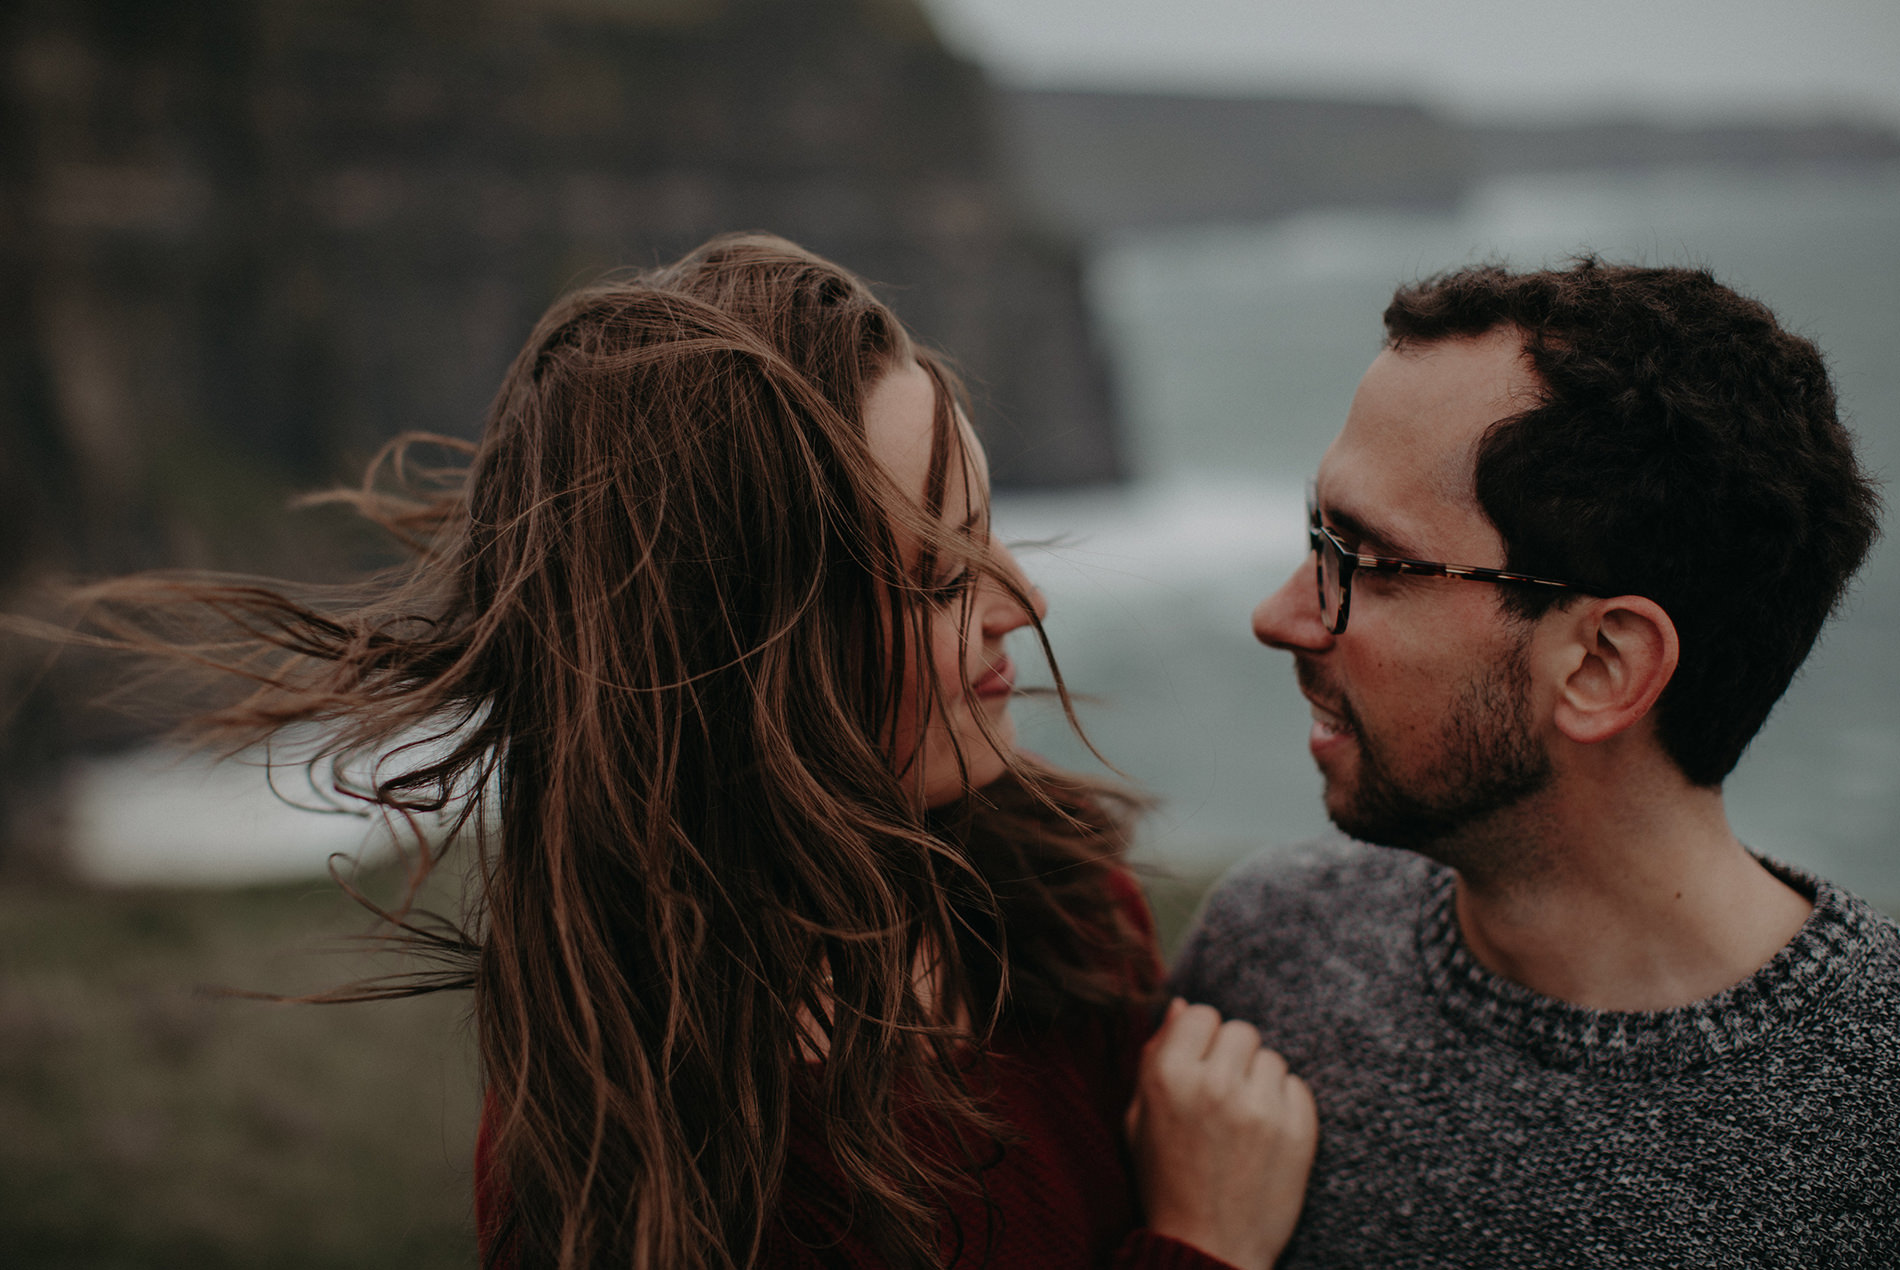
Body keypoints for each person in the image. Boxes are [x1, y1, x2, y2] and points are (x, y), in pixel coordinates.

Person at [65, 234, 1314, 1268]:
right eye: (937, 577)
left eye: (990, 538)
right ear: (744, 654)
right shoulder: (654, 1173)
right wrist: (1202, 1241)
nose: (1021, 607)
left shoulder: (1052, 908)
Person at [1172, 259, 1898, 1267]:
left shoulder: (1872, 1119)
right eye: (1314, 534)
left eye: (1363, 561)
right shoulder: (1270, 950)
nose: (1278, 614)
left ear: (1602, 664)